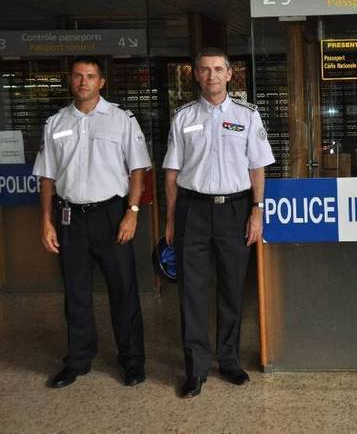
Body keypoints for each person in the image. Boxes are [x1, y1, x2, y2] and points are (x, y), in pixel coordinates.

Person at [163, 47, 274, 398]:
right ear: (196, 74)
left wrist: (257, 211)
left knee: (231, 288)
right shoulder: (182, 117)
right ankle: (195, 369)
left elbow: (258, 167)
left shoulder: (248, 115)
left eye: (218, 70)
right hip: (191, 212)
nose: (211, 76)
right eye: (205, 70)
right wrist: (170, 219)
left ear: (230, 75)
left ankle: (228, 360)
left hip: (234, 211)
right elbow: (171, 173)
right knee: (191, 291)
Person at [33, 56, 150, 389]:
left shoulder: (121, 120)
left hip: (112, 215)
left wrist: (133, 212)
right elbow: (47, 176)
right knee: (76, 293)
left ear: (102, 82)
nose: (83, 81)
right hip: (70, 218)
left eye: (90, 76)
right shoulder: (55, 123)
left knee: (123, 291)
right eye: (77, 76)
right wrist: (46, 220)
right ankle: (78, 360)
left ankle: (132, 361)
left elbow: (138, 169)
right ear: (71, 81)